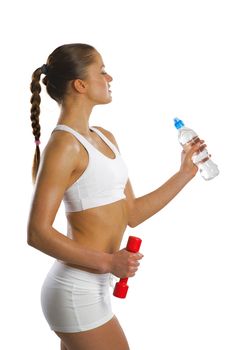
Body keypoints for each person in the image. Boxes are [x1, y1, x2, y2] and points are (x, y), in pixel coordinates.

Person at [27, 43, 202, 350]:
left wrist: (184, 174)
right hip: (75, 292)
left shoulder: (105, 137)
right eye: (102, 71)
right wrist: (109, 262)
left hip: (95, 289)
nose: (110, 78)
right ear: (80, 85)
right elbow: (37, 233)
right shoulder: (64, 145)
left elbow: (131, 212)